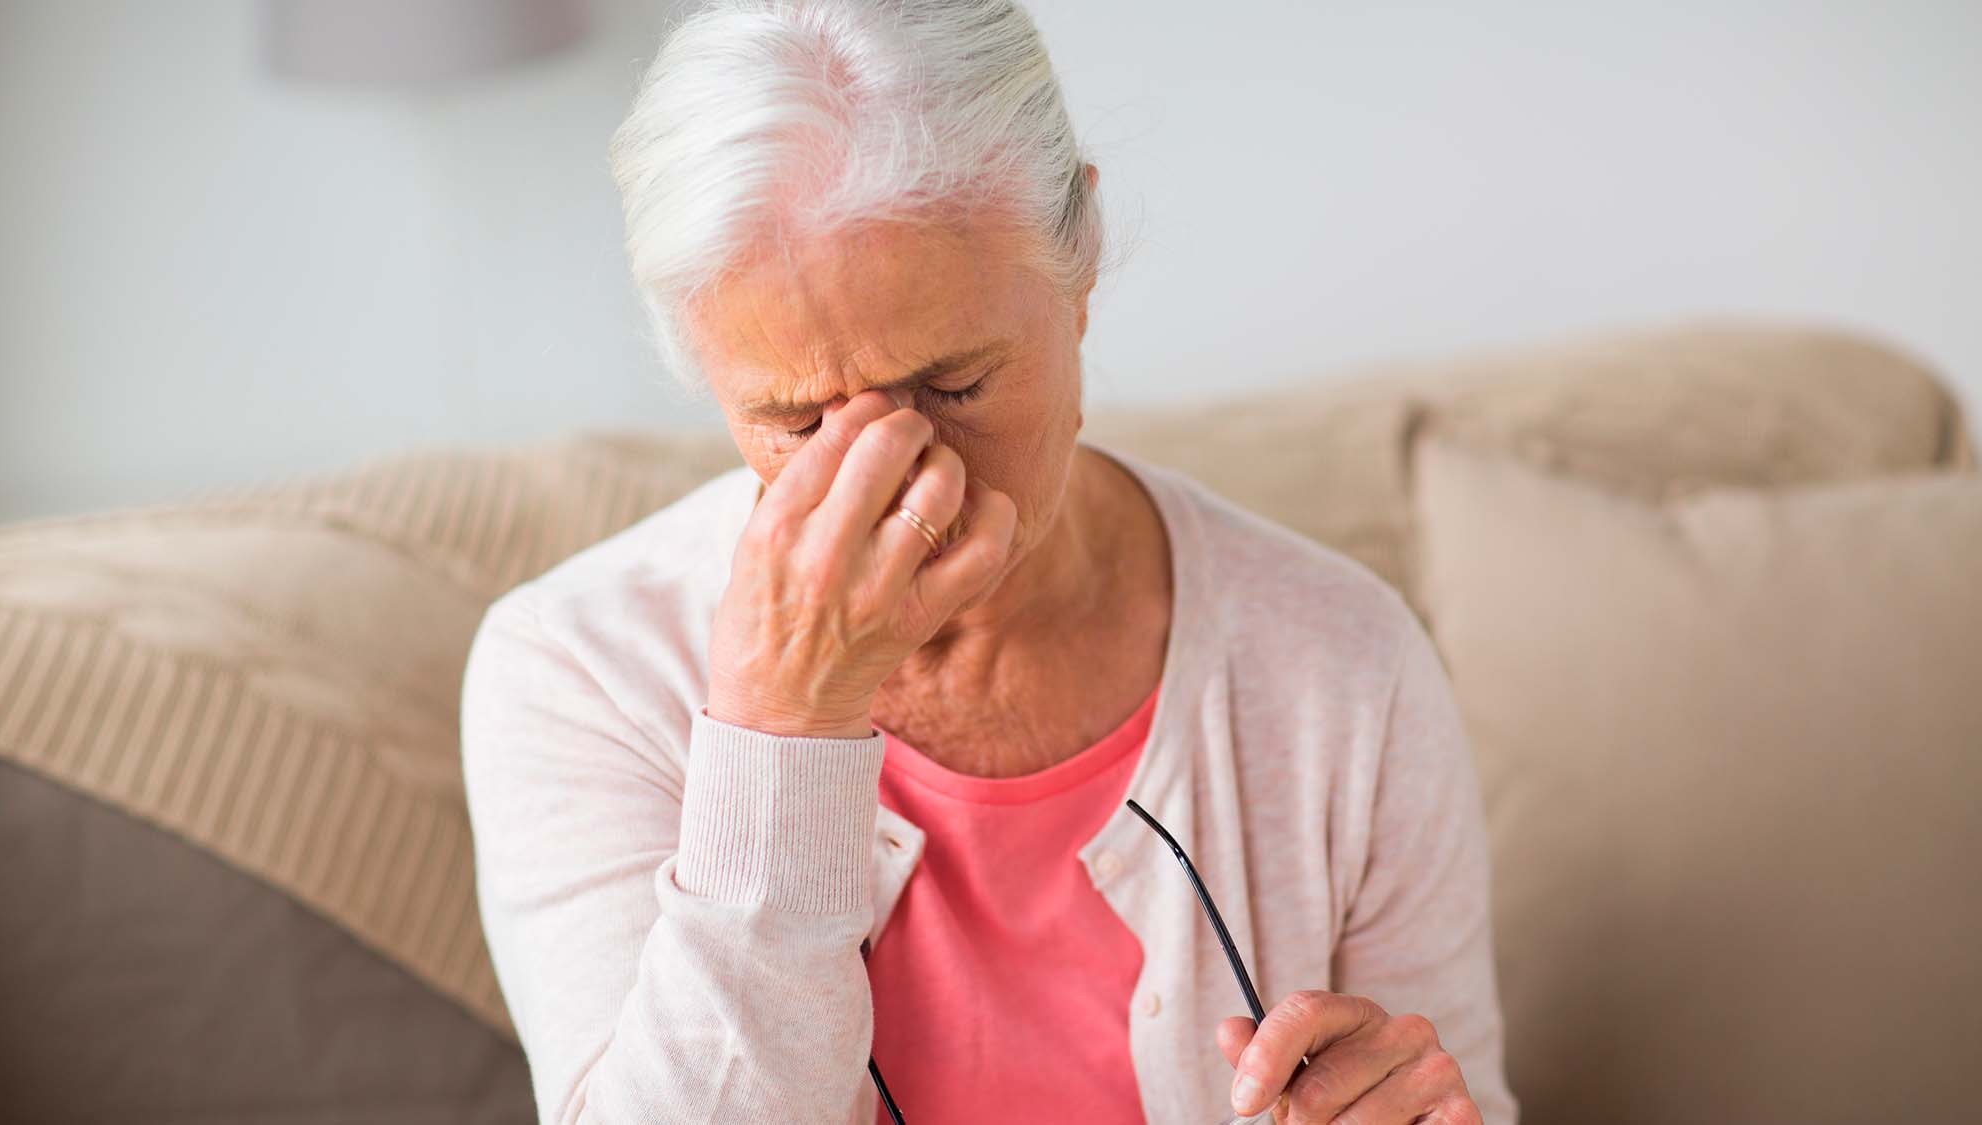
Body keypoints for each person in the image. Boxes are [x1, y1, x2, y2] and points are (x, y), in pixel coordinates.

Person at [459, 2, 1516, 1122]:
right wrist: (779, 725)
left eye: (955, 387)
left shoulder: (1346, 665)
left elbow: (1456, 1101)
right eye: (794, 424)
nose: (906, 483)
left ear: (1080, 264)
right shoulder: (574, 672)